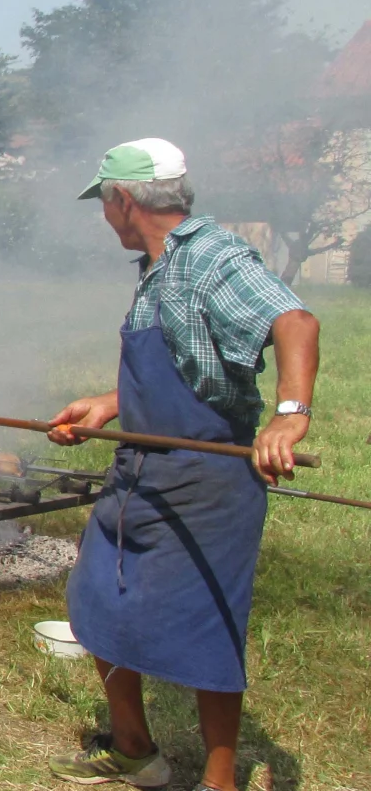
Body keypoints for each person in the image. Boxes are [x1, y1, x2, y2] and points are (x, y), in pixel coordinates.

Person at [46, 138, 319, 790]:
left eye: (104, 203)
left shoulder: (210, 256)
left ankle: (219, 781)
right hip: (143, 472)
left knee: (206, 625)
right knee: (98, 600)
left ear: (124, 199)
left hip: (207, 482)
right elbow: (191, 370)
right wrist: (111, 405)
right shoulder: (159, 269)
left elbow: (295, 319)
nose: (105, 216)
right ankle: (136, 750)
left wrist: (289, 412)